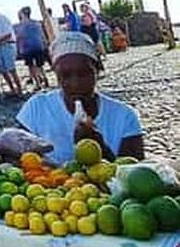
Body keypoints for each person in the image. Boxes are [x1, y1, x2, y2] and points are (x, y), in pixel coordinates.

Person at [16, 31, 144, 165]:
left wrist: (99, 148)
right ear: (56, 76)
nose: (75, 84)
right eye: (65, 75)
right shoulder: (37, 108)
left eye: (84, 74)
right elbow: (15, 156)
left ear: (97, 70)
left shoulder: (125, 117)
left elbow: (134, 176)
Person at [0, 6, 23, 97]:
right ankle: (12, 89)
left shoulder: (3, 19)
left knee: (11, 69)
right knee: (3, 70)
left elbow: (8, 34)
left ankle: (20, 90)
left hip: (8, 45)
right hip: (0, 47)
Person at [16, 7, 49, 90]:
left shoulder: (21, 25)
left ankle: (38, 83)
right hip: (38, 46)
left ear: (23, 14)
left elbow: (19, 37)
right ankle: (45, 78)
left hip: (27, 48)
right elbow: (42, 35)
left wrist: (20, 48)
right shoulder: (37, 23)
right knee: (40, 65)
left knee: (31, 66)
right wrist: (45, 43)